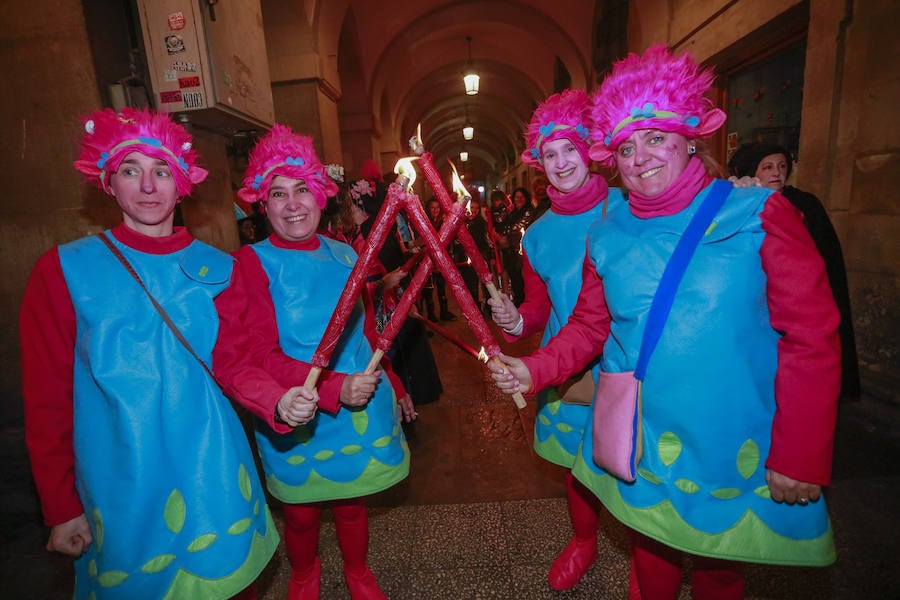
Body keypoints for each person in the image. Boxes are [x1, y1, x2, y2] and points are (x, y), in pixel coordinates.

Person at [490, 45, 840, 599]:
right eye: (626, 145)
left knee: (718, 566)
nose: (640, 156)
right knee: (649, 547)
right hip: (642, 432)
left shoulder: (759, 214)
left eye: (655, 137)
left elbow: (813, 337)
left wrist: (801, 450)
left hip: (729, 436)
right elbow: (587, 326)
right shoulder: (607, 233)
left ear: (689, 135)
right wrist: (533, 369)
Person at [20, 107, 279, 599]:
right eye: (130, 170)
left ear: (182, 183)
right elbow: (47, 400)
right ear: (107, 181)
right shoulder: (63, 271)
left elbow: (246, 362)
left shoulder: (222, 268)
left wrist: (286, 398)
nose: (146, 186)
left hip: (216, 471)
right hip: (122, 481)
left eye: (161, 171)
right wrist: (61, 504)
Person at [215, 124, 413, 600]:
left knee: (351, 503)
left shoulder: (347, 253)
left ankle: (358, 571)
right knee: (301, 512)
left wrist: (397, 385)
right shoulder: (252, 262)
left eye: (302, 188)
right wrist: (332, 390)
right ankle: (305, 573)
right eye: (278, 194)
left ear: (321, 196)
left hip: (361, 405)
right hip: (294, 405)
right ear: (263, 206)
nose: (292, 203)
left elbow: (366, 334)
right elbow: (258, 353)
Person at [488, 89, 626, 592]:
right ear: (538, 163)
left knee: (633, 462)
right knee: (576, 467)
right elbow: (537, 311)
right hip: (566, 369)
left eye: (570, 148)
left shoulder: (628, 208)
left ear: (589, 149)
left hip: (626, 364)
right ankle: (584, 542)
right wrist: (514, 319)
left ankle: (645, 547)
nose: (562, 162)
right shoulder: (538, 233)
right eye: (551, 153)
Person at [729, 142, 861, 400]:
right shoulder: (737, 202)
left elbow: (820, 259)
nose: (777, 173)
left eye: (782, 166)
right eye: (767, 167)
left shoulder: (804, 204)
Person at [423, 197, 458, 321]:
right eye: (432, 208)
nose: (435, 210)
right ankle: (431, 314)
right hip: (429, 258)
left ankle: (444, 311)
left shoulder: (442, 221)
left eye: (437, 208)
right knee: (429, 288)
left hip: (441, 257)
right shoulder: (425, 221)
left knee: (442, 286)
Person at [499, 187, 536, 304]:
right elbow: (503, 225)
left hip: (522, 250)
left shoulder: (529, 211)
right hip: (511, 251)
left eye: (521, 197)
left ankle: (525, 302)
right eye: (516, 197)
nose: (519, 199)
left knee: (523, 278)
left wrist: (507, 231)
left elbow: (517, 226)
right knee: (514, 278)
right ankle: (519, 301)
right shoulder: (512, 212)